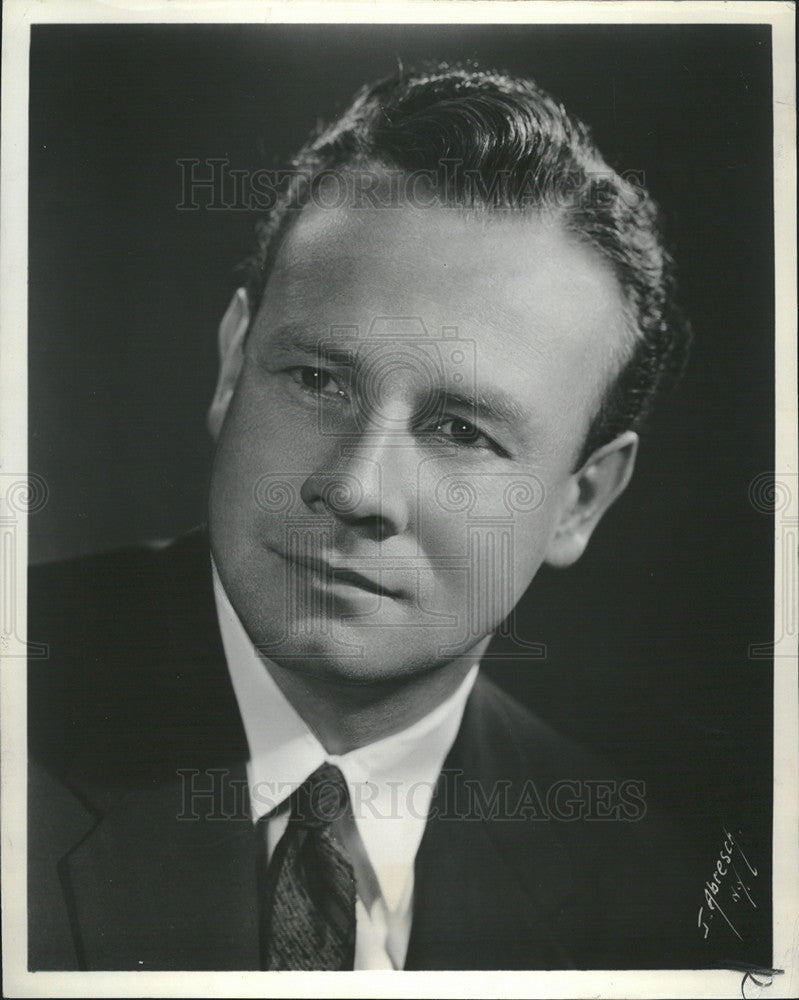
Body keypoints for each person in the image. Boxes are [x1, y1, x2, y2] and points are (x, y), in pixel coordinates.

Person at [28, 62, 704, 971]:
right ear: (232, 369)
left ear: (578, 501)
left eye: (461, 430)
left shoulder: (662, 895)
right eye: (316, 381)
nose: (355, 489)